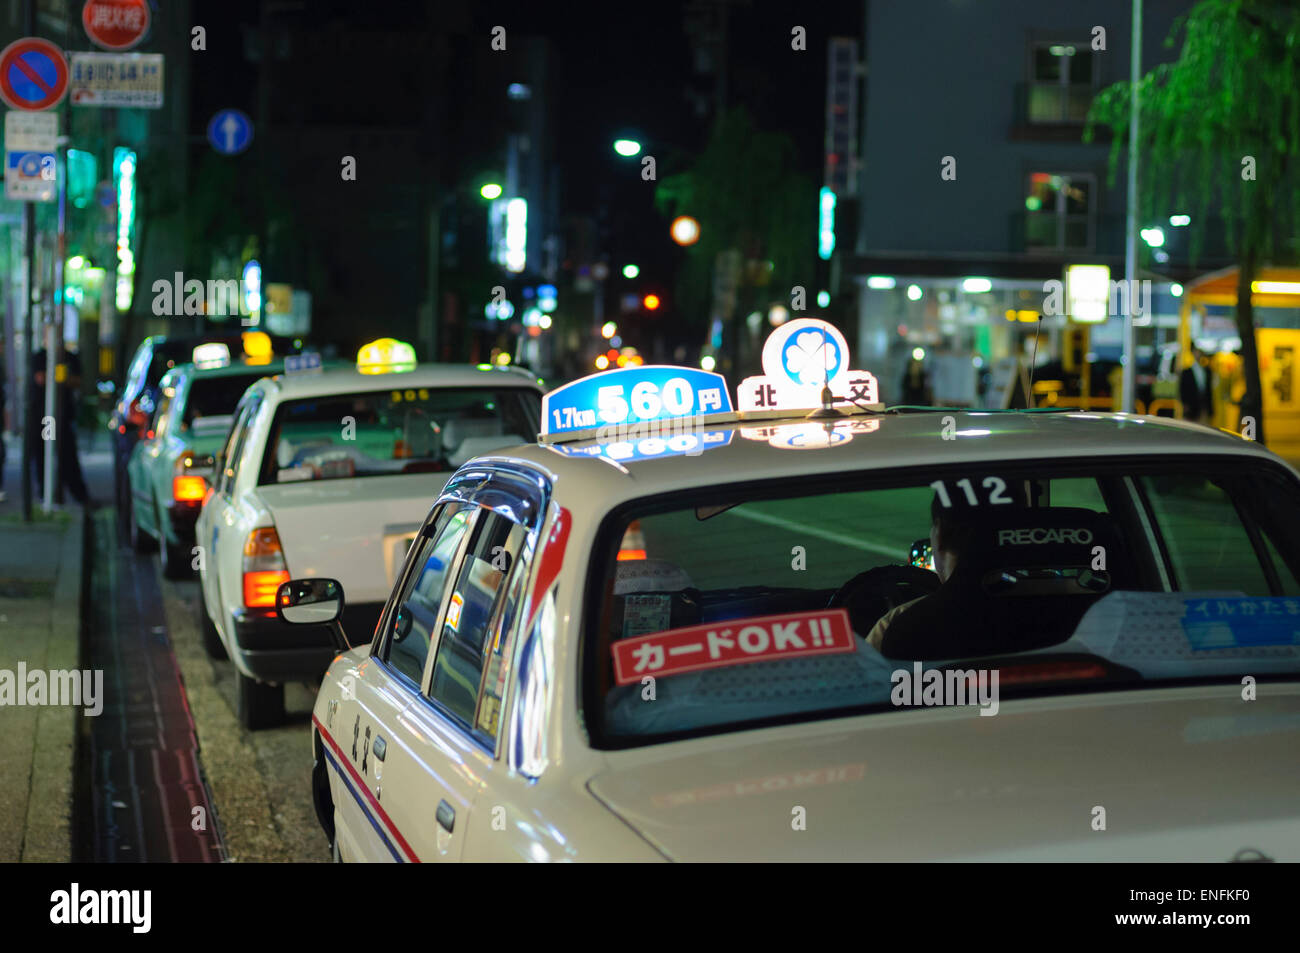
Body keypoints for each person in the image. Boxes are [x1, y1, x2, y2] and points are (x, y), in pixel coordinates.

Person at [27, 348, 91, 507]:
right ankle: (46, 493)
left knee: (67, 455)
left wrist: (61, 378)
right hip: (45, 418)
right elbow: (40, 378)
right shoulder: (40, 356)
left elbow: (78, 380)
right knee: (44, 454)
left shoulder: (69, 356)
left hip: (63, 416)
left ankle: (77, 494)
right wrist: (58, 377)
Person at [1179, 345, 1215, 425]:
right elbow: (1182, 389)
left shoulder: (1207, 370)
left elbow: (1209, 390)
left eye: (1199, 353)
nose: (1198, 355)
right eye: (1196, 352)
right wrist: (1185, 405)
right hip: (1191, 407)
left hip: (1203, 406)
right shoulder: (1187, 372)